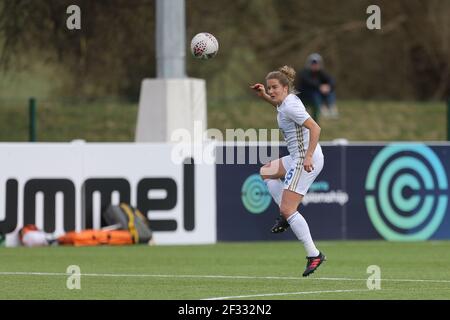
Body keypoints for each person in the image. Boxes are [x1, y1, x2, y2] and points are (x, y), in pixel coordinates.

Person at [250, 66, 326, 277]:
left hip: (304, 159)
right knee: (266, 171)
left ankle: (314, 254)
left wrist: (308, 156)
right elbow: (278, 104)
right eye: (269, 87)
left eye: (274, 87)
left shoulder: (291, 106)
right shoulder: (285, 102)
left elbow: (316, 128)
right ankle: (285, 215)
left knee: (288, 209)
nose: (271, 90)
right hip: (296, 156)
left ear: (285, 87)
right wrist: (264, 96)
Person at [295, 53, 338, 120]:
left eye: (316, 63)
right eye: (313, 63)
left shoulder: (321, 73)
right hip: (304, 95)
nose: (315, 65)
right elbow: (308, 82)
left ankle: (330, 106)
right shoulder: (303, 73)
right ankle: (322, 108)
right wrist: (320, 87)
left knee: (330, 92)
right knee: (316, 96)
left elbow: (331, 80)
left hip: (317, 94)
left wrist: (328, 86)